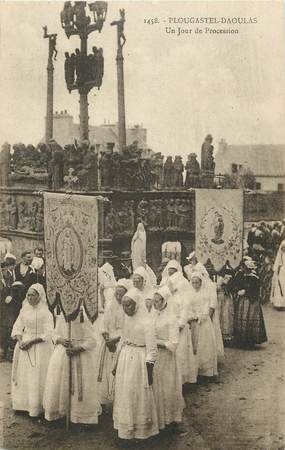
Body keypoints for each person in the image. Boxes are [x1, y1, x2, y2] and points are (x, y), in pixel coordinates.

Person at [113, 288, 159, 441]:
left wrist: (149, 369)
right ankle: (126, 430)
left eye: (129, 305)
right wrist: (116, 363)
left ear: (137, 305)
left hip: (140, 361)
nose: (126, 309)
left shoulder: (147, 322)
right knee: (125, 393)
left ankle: (140, 431)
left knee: (137, 394)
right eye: (124, 306)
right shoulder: (126, 319)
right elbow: (122, 339)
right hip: (126, 359)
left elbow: (152, 349)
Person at [43, 311, 102, 425]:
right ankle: (61, 413)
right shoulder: (61, 316)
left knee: (80, 384)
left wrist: (77, 348)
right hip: (62, 353)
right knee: (59, 382)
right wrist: (61, 340)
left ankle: (80, 416)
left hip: (80, 355)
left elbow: (92, 340)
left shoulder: (82, 317)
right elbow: (55, 333)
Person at [11, 284, 54, 417]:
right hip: (24, 345)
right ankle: (22, 404)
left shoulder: (45, 312)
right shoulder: (24, 310)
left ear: (39, 296)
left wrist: (31, 341)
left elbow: (48, 333)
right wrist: (20, 341)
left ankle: (36, 406)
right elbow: (17, 327)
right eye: (28, 295)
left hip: (40, 347)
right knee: (24, 375)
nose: (30, 298)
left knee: (37, 376)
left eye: (33, 295)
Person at [152, 286, 185, 433]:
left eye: (158, 301)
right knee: (155, 389)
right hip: (155, 358)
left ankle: (171, 419)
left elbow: (173, 344)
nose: (155, 303)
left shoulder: (171, 319)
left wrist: (156, 341)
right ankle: (157, 420)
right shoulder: (152, 315)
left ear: (165, 301)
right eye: (154, 300)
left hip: (166, 359)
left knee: (167, 388)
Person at [98, 278, 130, 407]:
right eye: (117, 294)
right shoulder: (110, 305)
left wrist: (115, 340)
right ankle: (105, 398)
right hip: (108, 341)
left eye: (121, 294)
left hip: (120, 341)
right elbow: (104, 323)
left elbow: (128, 329)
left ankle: (119, 400)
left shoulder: (128, 308)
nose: (118, 297)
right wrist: (106, 337)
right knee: (106, 369)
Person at [167, 262, 197, 385]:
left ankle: (182, 380)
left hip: (180, 328)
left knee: (182, 353)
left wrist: (179, 325)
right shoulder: (170, 297)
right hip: (171, 328)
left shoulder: (182, 298)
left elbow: (184, 313)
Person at [187, 273, 218, 379]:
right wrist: (191, 316)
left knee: (204, 345)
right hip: (193, 321)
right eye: (193, 282)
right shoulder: (190, 293)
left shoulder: (205, 293)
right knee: (194, 345)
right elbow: (188, 306)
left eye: (197, 282)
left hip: (203, 321)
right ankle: (195, 371)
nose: (195, 285)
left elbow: (207, 307)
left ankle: (206, 371)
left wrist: (201, 317)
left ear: (201, 282)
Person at [234, 260, 267, 348]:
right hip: (243, 300)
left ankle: (250, 340)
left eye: (244, 267)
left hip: (251, 301)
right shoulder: (241, 276)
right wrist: (238, 290)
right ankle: (242, 340)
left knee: (250, 317)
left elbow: (256, 290)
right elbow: (238, 285)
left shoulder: (254, 278)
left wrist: (246, 292)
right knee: (242, 318)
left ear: (248, 268)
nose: (242, 269)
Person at [216, 270, 235, 345]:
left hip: (225, 297)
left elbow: (226, 287)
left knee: (226, 314)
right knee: (219, 314)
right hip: (219, 297)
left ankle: (225, 335)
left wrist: (222, 286)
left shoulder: (227, 276)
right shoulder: (217, 276)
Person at [271, 240, 285, 309]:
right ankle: (279, 303)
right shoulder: (283, 243)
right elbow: (279, 257)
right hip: (282, 269)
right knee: (281, 285)